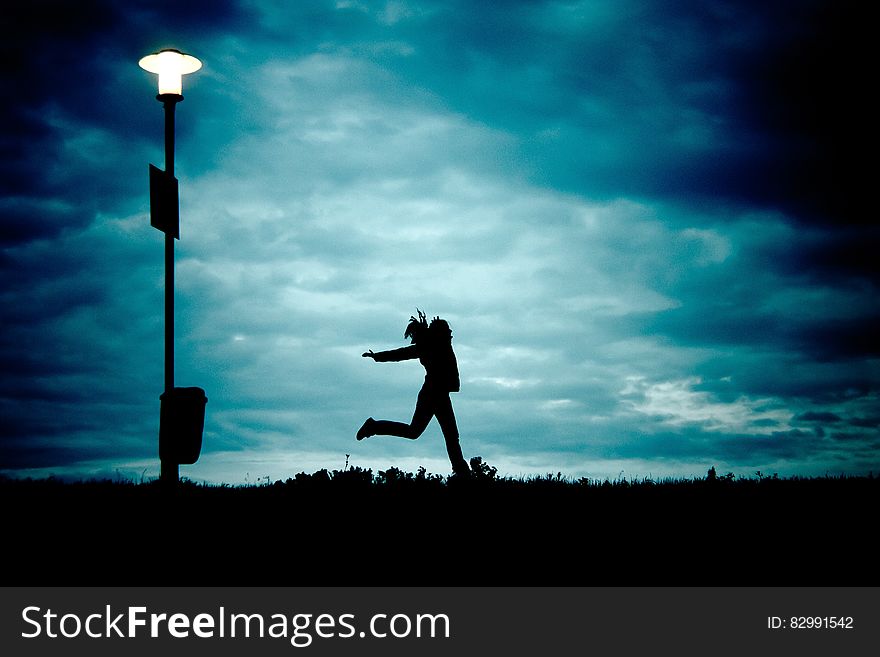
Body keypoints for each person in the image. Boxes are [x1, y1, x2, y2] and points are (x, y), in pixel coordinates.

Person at [357, 310, 470, 477]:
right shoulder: (432, 346)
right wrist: (377, 356)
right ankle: (374, 426)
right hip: (432, 394)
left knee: (435, 434)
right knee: (439, 435)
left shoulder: (440, 345)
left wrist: (378, 357)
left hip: (439, 394)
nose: (451, 333)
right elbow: (402, 353)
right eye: (448, 330)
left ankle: (462, 472)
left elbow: (403, 353)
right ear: (441, 333)